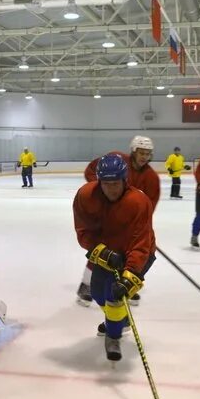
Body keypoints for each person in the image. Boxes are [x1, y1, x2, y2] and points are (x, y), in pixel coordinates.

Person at [73, 154, 155, 362]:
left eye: (115, 183)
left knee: (115, 297)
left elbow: (140, 245)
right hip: (107, 253)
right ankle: (118, 320)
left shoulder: (138, 201)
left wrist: (129, 277)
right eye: (106, 183)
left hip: (137, 254)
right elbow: (83, 233)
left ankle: (113, 335)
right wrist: (104, 252)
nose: (111, 189)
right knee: (98, 294)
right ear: (99, 181)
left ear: (125, 180)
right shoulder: (85, 196)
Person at [77, 135, 159, 307]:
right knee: (101, 250)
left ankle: (125, 283)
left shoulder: (151, 178)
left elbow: (148, 206)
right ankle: (86, 284)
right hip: (103, 215)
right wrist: (105, 189)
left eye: (147, 153)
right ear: (133, 151)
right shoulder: (115, 160)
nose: (144, 156)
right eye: (141, 152)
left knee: (132, 251)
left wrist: (139, 225)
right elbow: (91, 171)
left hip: (127, 220)